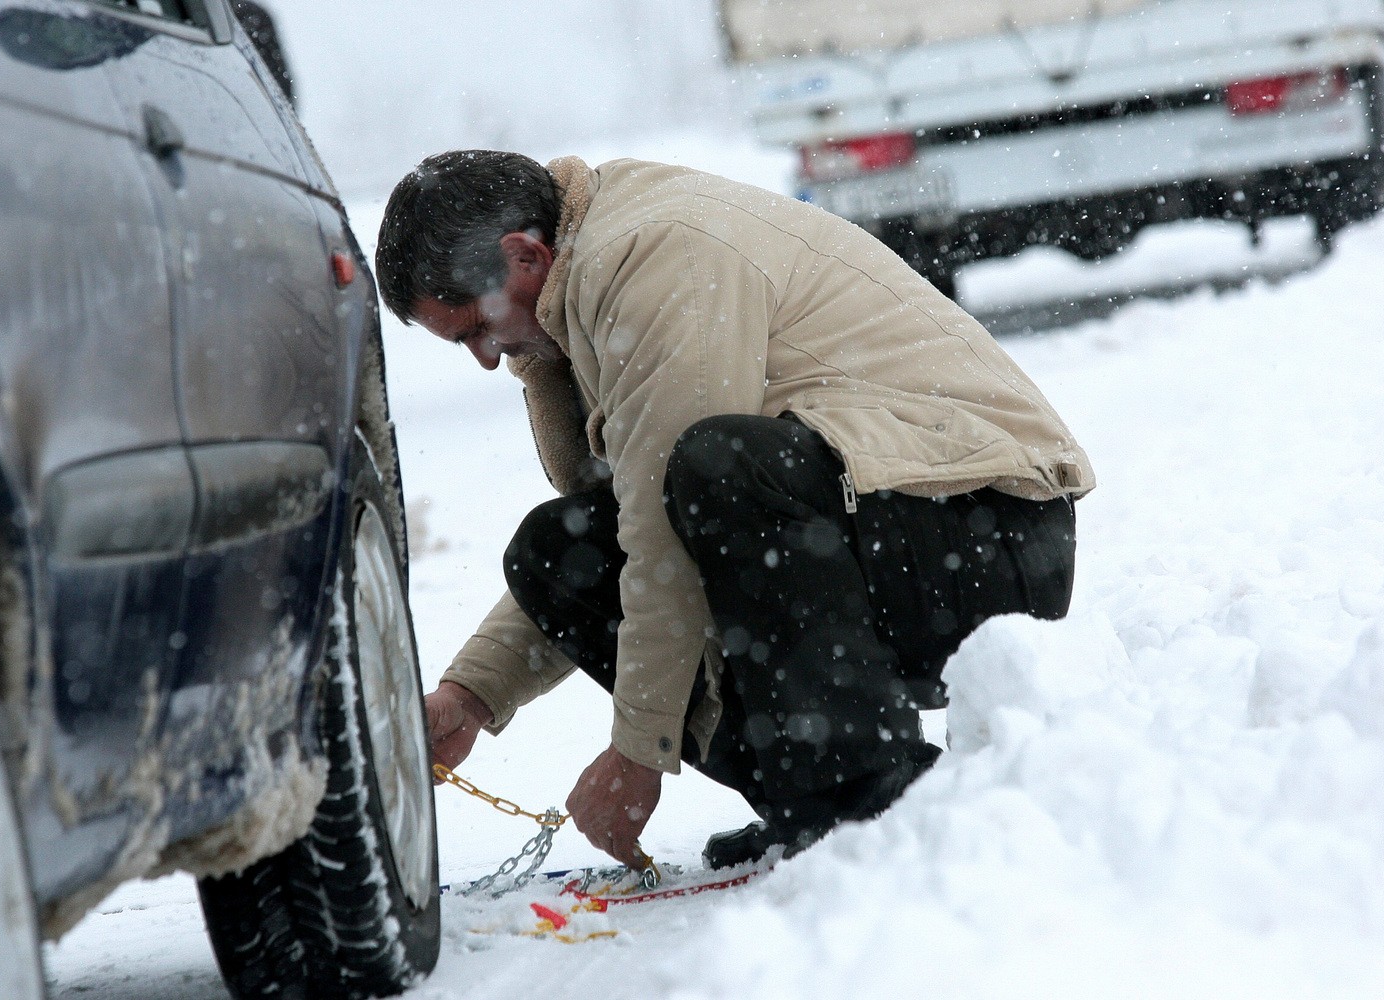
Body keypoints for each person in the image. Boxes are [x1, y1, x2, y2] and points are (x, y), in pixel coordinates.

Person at [374, 151, 1094, 870]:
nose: (485, 359)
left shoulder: (657, 255)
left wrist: (638, 753)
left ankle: (861, 792)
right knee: (557, 552)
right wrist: (471, 694)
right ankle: (811, 798)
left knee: (721, 468)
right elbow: (628, 526)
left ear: (525, 255)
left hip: (991, 535)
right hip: (893, 523)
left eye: (474, 328)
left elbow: (660, 526)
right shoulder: (588, 265)